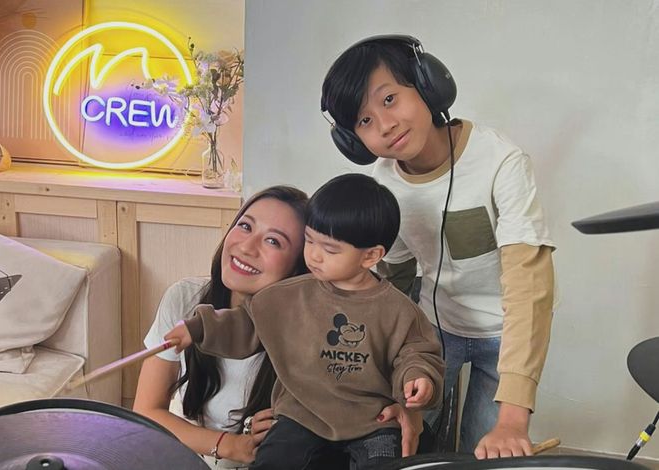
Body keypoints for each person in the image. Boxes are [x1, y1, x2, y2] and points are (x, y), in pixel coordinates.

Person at [320, 35, 555, 459]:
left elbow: (529, 286)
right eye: (365, 120)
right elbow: (392, 280)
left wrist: (512, 419)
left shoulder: (501, 161)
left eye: (389, 99)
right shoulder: (385, 183)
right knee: (398, 439)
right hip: (433, 328)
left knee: (484, 451)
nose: (385, 125)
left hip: (506, 332)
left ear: (428, 85)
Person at [165, 174, 445, 470]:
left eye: (329, 249)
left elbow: (416, 352)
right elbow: (245, 324)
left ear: (371, 255)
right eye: (309, 240)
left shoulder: (399, 310)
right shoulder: (286, 296)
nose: (314, 255)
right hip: (302, 416)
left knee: (389, 462)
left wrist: (418, 377)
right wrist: (198, 328)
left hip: (373, 420)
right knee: (273, 461)